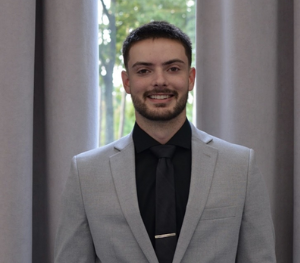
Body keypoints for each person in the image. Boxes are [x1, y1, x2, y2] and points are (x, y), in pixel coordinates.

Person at [54, 21, 276, 263]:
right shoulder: (85, 173)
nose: (159, 81)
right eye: (144, 71)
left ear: (190, 78)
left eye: (172, 69)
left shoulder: (240, 166)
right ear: (127, 82)